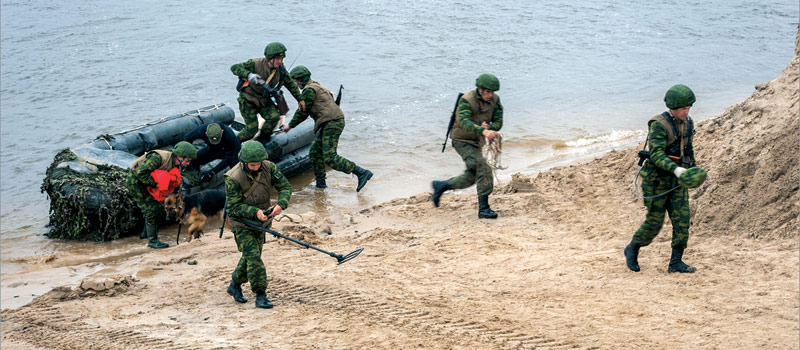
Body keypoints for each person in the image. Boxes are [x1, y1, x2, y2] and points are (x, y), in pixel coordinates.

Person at [625, 84, 699, 273]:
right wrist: (675, 169)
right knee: (654, 224)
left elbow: (688, 149)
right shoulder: (659, 125)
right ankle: (632, 248)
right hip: (656, 181)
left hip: (677, 181)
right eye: (683, 108)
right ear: (673, 108)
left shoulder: (688, 123)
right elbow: (656, 155)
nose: (687, 111)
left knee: (683, 221)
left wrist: (693, 169)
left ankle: (676, 263)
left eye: (689, 107)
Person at [282, 65, 373, 191]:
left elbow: (303, 112)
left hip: (332, 122)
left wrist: (289, 126)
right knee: (315, 153)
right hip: (329, 121)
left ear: (300, 79)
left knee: (330, 157)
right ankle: (321, 185)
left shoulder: (309, 90)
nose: (296, 84)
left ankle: (361, 172)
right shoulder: (316, 85)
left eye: (296, 81)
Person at [224, 140, 292, 309]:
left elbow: (285, 186)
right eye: (252, 165)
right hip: (241, 223)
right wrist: (254, 213)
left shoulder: (268, 167)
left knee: (250, 257)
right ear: (244, 162)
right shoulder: (232, 178)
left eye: (258, 164)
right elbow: (233, 206)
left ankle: (234, 285)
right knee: (254, 259)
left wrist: (280, 204)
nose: (256, 167)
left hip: (262, 221)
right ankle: (260, 294)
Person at [431, 74, 503, 219]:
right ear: (480, 89)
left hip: (477, 142)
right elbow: (463, 121)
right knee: (484, 169)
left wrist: (490, 127)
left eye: (492, 92)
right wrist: (482, 130)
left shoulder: (495, 100)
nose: (490, 95)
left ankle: (442, 185)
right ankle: (484, 209)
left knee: (472, 176)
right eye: (487, 92)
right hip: (462, 140)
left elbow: (499, 120)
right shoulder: (467, 100)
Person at [231, 42, 305, 143]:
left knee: (274, 117)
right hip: (248, 100)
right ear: (270, 58)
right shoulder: (255, 64)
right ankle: (233, 143)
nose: (280, 61)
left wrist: (300, 99)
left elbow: (290, 85)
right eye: (278, 59)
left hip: (264, 100)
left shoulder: (281, 70)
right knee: (251, 130)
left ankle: (262, 140)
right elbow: (235, 68)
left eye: (282, 59)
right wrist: (249, 75)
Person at [127, 141, 197, 249]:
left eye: (189, 161)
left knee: (159, 208)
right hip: (136, 182)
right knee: (152, 210)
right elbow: (141, 173)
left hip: (149, 183)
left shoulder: (175, 164)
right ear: (179, 157)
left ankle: (145, 234)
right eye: (187, 161)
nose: (188, 164)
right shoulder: (158, 158)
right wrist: (156, 184)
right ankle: (152, 242)